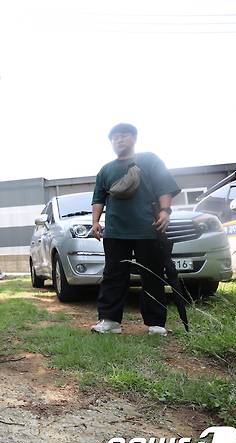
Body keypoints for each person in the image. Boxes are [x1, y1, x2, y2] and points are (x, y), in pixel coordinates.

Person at [90, 123, 180, 336]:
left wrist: (165, 211)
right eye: (114, 138)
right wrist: (95, 222)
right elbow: (98, 198)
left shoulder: (149, 159)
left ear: (134, 138)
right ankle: (110, 321)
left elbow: (164, 186)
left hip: (148, 229)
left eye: (123, 136)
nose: (118, 140)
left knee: (152, 275)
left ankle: (156, 324)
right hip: (115, 232)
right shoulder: (106, 169)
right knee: (113, 275)